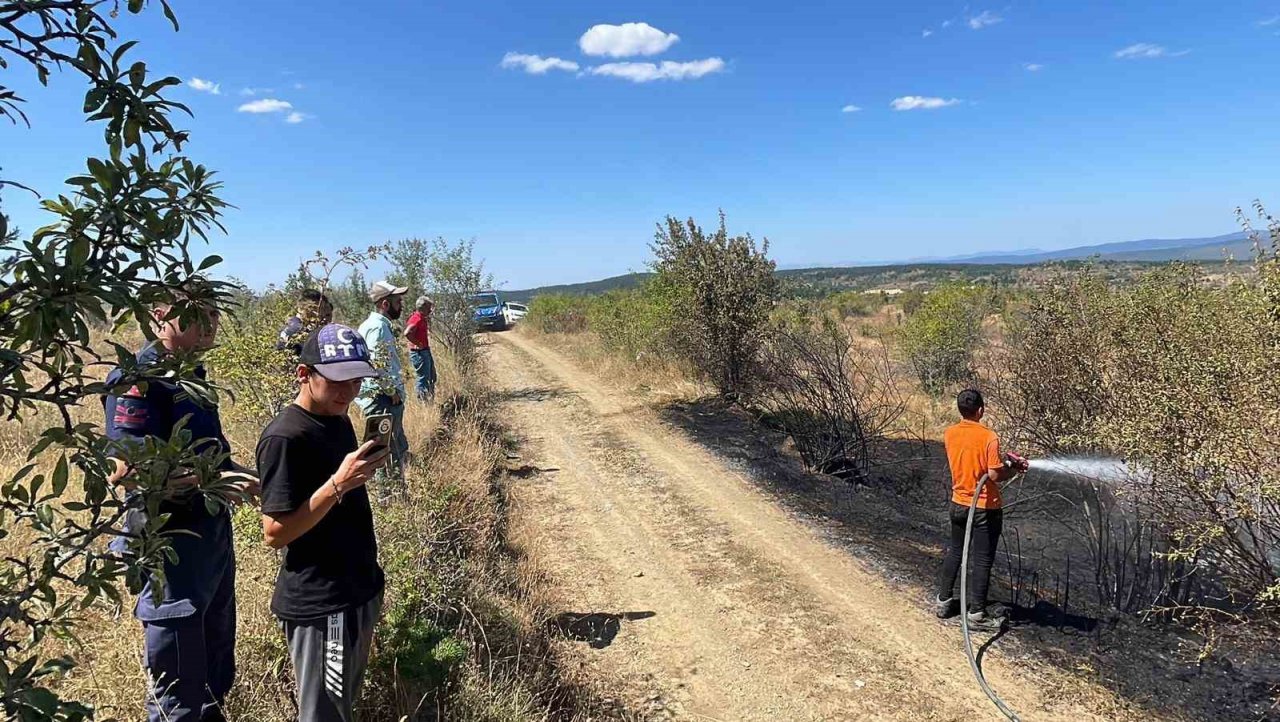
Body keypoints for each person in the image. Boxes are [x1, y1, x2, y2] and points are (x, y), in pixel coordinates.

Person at [104, 298, 258, 722]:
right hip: (170, 549)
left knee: (213, 676)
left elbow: (212, 458)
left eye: (215, 313)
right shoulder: (140, 379)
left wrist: (249, 476)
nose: (210, 322)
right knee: (178, 692)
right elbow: (127, 470)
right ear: (159, 315)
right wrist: (213, 480)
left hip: (210, 544)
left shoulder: (192, 376)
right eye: (197, 313)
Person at [257, 324, 390, 721]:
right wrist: (337, 484)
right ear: (304, 374)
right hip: (323, 606)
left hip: (358, 589)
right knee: (325, 714)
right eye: (337, 381)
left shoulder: (338, 419)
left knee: (341, 706)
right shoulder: (284, 437)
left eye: (356, 381)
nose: (348, 392)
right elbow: (274, 533)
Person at [933, 388, 1028, 631]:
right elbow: (994, 475)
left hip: (958, 503)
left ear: (960, 410)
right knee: (982, 560)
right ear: (981, 410)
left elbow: (972, 461)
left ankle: (943, 603)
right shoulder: (989, 437)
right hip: (985, 507)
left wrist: (1004, 463)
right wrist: (1013, 469)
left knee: (955, 551)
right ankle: (976, 615)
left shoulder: (950, 433)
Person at [357, 280, 410, 487]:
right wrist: (391, 391)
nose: (401, 306)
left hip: (382, 399)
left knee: (391, 449)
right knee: (386, 453)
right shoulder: (378, 327)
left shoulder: (374, 325)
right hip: (382, 400)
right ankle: (389, 496)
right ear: (385, 304)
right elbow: (375, 364)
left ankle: (393, 493)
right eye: (398, 302)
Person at [277, 289, 334, 354]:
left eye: (322, 309)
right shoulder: (295, 328)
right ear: (300, 309)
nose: (319, 314)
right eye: (314, 309)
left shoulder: (303, 326)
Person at [405, 295, 437, 401]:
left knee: (432, 377)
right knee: (423, 379)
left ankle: (430, 401)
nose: (430, 310)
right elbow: (407, 333)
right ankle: (423, 403)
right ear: (423, 307)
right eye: (429, 308)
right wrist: (418, 343)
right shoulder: (417, 318)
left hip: (424, 351)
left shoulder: (421, 318)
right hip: (419, 353)